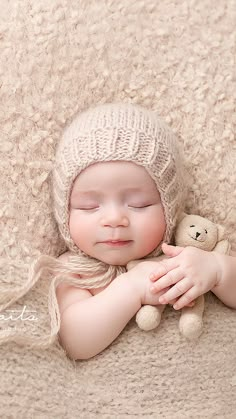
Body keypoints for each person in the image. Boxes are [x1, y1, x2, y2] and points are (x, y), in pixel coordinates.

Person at [52, 103, 236, 361]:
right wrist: (132, 288)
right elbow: (74, 341)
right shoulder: (74, 271)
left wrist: (217, 270)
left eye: (138, 204)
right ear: (65, 211)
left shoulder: (184, 253)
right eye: (89, 206)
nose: (115, 219)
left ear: (169, 208)